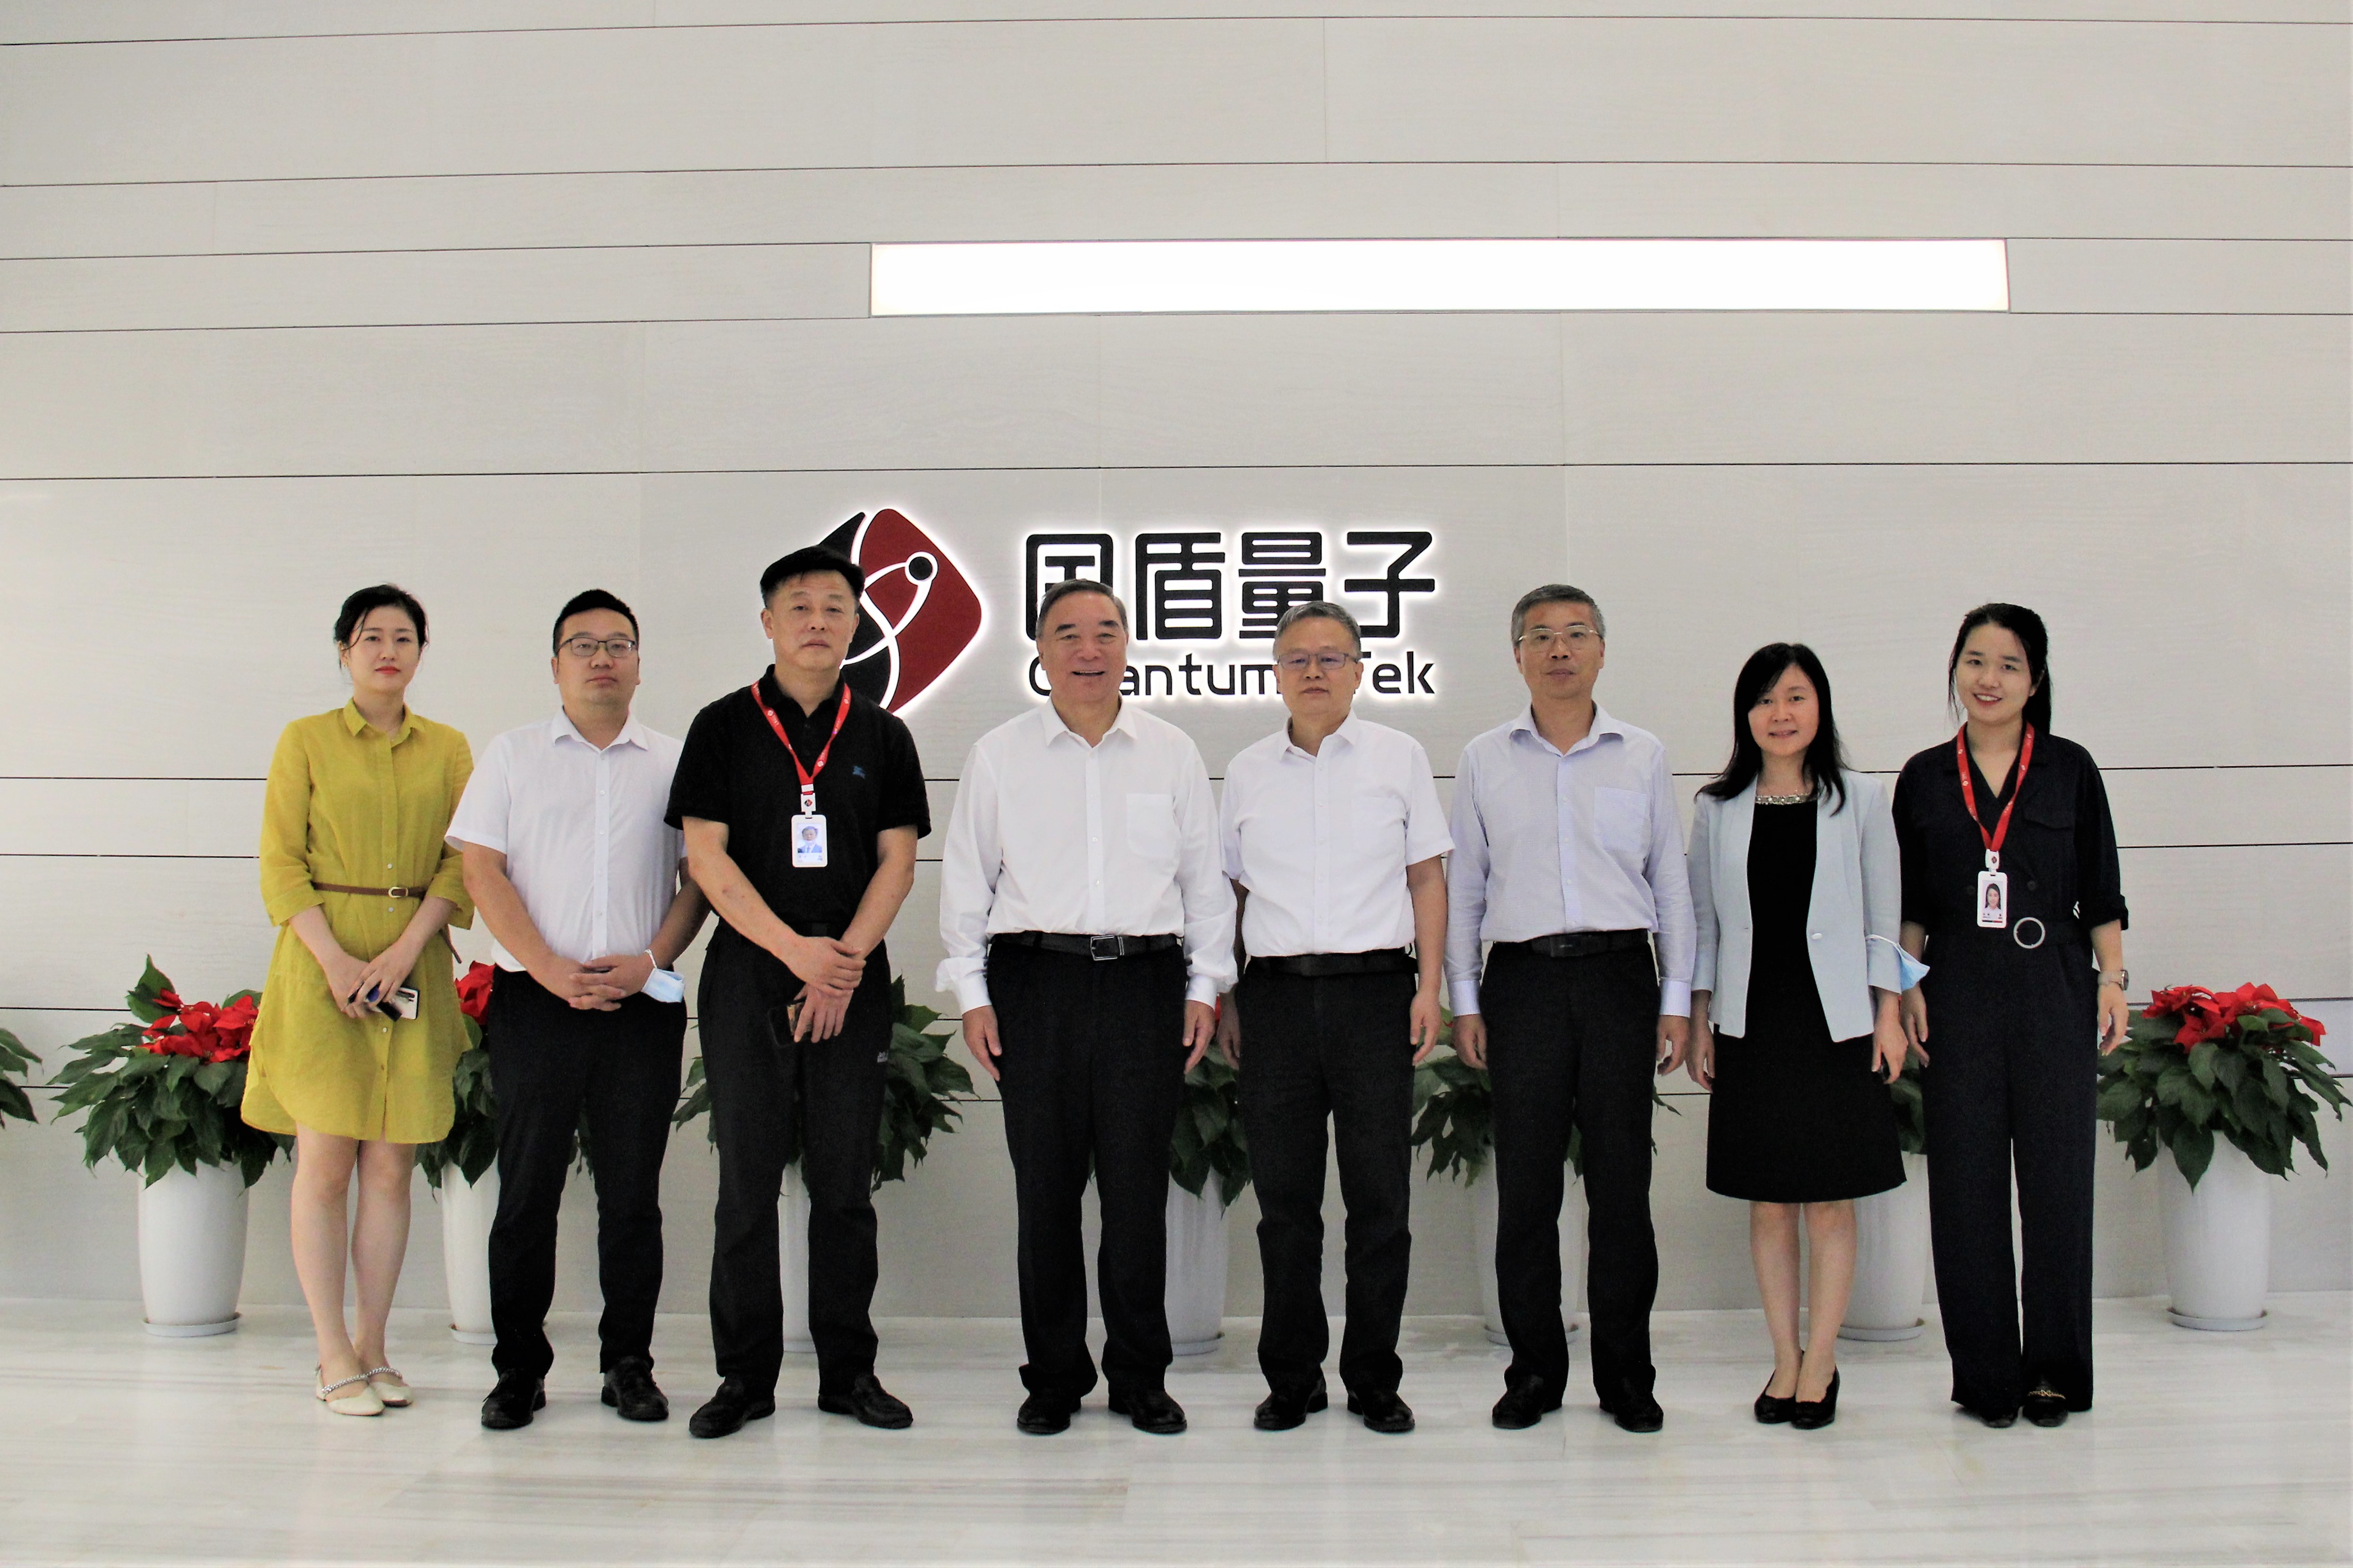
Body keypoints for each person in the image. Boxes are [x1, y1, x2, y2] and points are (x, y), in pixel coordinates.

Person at [937, 579, 1234, 1437]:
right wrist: (973, 997)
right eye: (1068, 633)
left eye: (1106, 631)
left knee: (1138, 1195)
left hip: (1146, 984)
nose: (1089, 649)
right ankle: (1054, 1377)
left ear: (1128, 645)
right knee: (1047, 1193)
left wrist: (1205, 987)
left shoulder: (1171, 751)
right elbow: (966, 882)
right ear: (1041, 651)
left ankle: (1141, 1376)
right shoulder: (1000, 754)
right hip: (1036, 984)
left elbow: (1205, 884)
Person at [665, 546, 931, 1437]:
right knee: (745, 1181)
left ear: (857, 624)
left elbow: (899, 861)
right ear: (769, 622)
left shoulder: (883, 734)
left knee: (844, 1183)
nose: (817, 621)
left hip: (853, 973)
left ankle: (849, 1373)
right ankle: (743, 1378)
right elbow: (707, 860)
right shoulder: (721, 726)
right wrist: (794, 953)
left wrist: (841, 963)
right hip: (749, 969)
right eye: (799, 606)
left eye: (834, 607)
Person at [448, 590, 710, 1431]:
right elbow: (481, 871)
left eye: (618, 645)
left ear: (639, 663)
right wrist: (549, 967)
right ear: (556, 665)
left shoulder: (675, 762)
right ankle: (517, 1369)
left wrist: (651, 961)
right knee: (527, 1192)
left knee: (632, 1197)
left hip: (640, 1003)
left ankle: (628, 1365)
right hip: (537, 1001)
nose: (603, 658)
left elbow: (702, 879)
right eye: (584, 645)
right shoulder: (513, 755)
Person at [1446, 584, 1694, 1434]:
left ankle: (1627, 1377)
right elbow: (1466, 886)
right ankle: (1534, 1373)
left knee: (1623, 1189)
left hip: (1621, 976)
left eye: (1577, 633)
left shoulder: (1642, 754)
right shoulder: (1484, 758)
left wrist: (1674, 999)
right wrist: (1465, 1000)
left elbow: (1669, 881)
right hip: (1521, 983)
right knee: (1526, 1191)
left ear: (1601, 650)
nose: (1560, 649)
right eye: (1541, 636)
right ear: (1517, 655)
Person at [1217, 601, 1450, 1436]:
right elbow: (1229, 893)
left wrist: (1429, 988)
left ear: (1359, 670)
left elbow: (1427, 878)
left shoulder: (1399, 757)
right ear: (1276, 674)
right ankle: (1293, 1378)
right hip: (1275, 998)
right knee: (1285, 1203)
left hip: (1375, 994)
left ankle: (1373, 1378)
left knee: (1380, 1199)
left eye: (1331, 657)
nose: (1314, 671)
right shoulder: (1247, 771)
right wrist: (1229, 995)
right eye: (1298, 659)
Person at [1894, 603, 2129, 1429]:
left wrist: (2112, 979)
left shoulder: (2070, 769)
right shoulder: (1925, 777)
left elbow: (2101, 887)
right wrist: (1908, 984)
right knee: (1965, 1186)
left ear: (2036, 680)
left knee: (2059, 1184)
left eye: (2008, 664)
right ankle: (1987, 1376)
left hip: (2052, 984)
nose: (1988, 679)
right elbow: (1909, 900)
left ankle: (2053, 1373)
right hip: (1955, 989)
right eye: (1974, 661)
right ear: (1955, 670)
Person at [249, 585, 473, 1418]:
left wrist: (405, 951)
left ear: (421, 652)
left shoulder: (448, 748)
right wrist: (338, 962)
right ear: (344, 650)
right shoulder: (304, 740)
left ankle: (375, 1348)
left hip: (412, 966)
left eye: (404, 637)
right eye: (371, 637)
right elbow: (280, 862)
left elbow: (463, 861)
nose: (388, 651)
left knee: (390, 1168)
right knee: (325, 1165)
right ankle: (332, 1352)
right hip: (321, 969)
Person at [1685, 644, 1908, 1432]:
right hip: (1752, 1020)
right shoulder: (1718, 807)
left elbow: (1885, 918)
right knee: (1771, 1201)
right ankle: (1784, 1356)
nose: (1780, 714)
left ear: (1821, 707)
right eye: (1764, 700)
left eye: (1796, 697)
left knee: (1829, 1201)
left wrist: (1888, 1014)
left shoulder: (1861, 800)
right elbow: (1704, 925)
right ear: (1745, 715)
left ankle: (1823, 1361)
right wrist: (1703, 1017)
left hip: (1836, 1022)